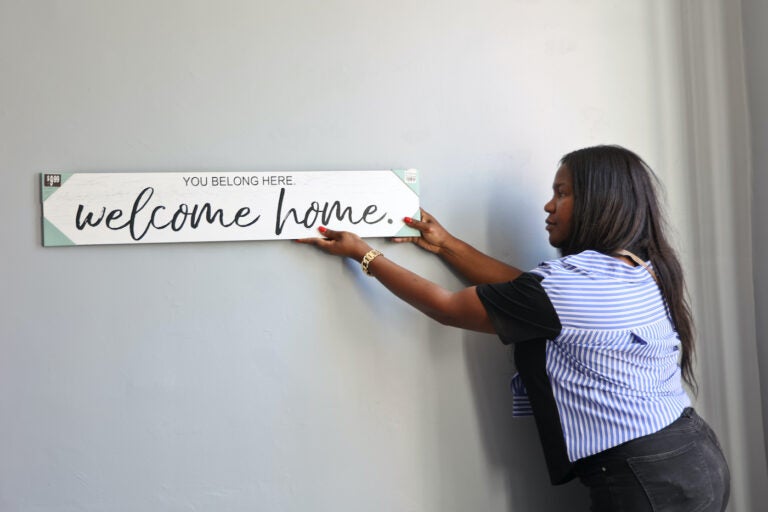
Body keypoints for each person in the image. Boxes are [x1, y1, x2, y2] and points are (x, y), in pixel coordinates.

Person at [297, 145, 730, 511]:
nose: (549, 204)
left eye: (562, 193)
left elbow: (448, 307)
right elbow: (529, 293)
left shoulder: (566, 286)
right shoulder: (639, 268)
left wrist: (364, 255)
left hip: (644, 478)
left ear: (599, 202)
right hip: (696, 453)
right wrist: (447, 244)